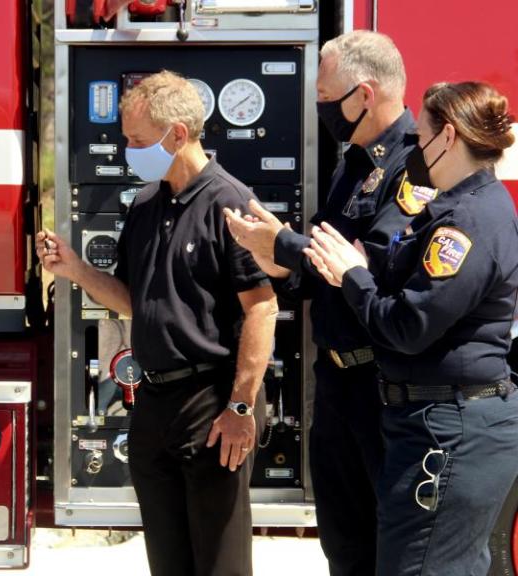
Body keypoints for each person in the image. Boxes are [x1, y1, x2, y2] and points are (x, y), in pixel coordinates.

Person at [38, 70, 277, 576]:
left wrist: (240, 405)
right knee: (167, 561)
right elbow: (131, 301)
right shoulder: (147, 204)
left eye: (137, 140)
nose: (128, 148)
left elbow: (262, 307)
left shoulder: (229, 202)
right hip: (155, 402)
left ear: (179, 135)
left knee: (219, 563)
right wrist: (74, 270)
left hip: (214, 402)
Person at [304, 81, 518, 576]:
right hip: (428, 423)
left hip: (450, 427)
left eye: (420, 136)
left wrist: (351, 276)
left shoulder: (467, 222)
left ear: (447, 137)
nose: (414, 150)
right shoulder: (456, 209)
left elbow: (407, 326)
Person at [224, 30, 417, 575]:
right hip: (334, 386)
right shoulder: (351, 163)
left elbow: (368, 264)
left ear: (364, 93)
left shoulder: (413, 167)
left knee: (392, 547)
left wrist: (285, 245)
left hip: (382, 391)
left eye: (327, 97)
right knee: (344, 543)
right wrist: (277, 259)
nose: (320, 107)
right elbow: (319, 270)